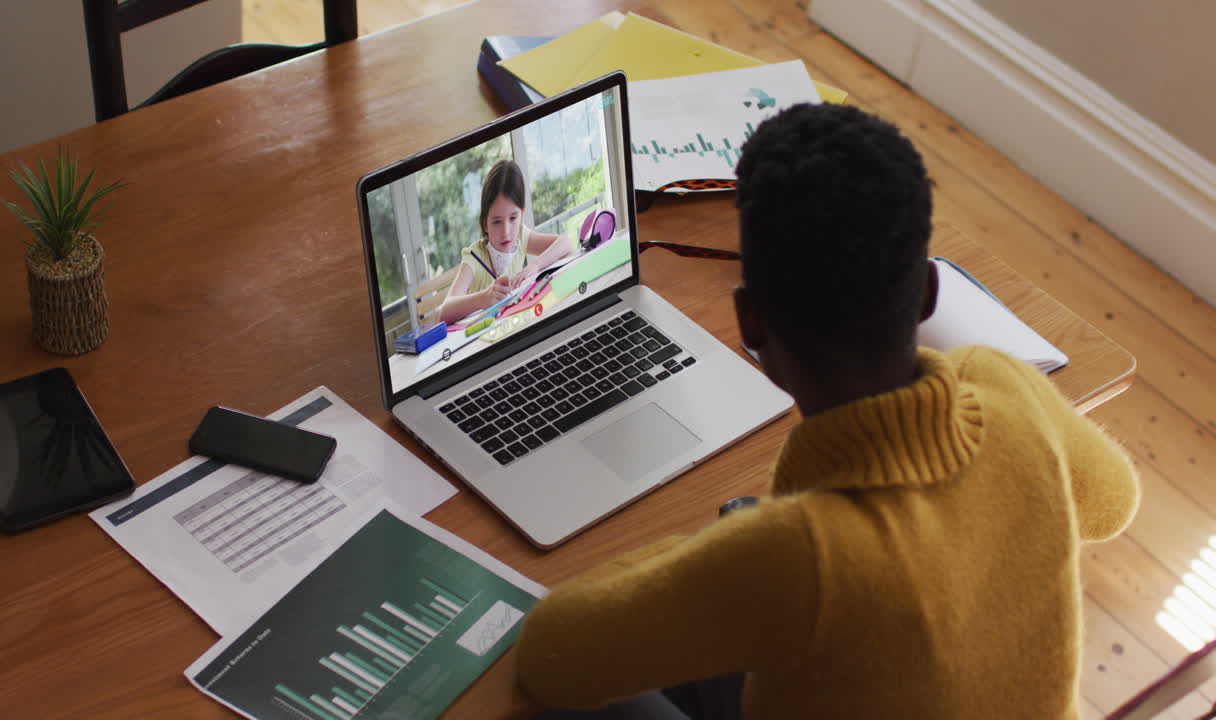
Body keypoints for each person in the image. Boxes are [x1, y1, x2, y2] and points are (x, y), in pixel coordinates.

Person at [513, 103, 1140, 719]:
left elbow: (550, 655)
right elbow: (1113, 503)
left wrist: (718, 551)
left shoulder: (792, 557)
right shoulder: (1005, 383)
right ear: (927, 292)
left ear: (750, 321)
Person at [439, 159, 573, 324]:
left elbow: (565, 243)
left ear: (522, 215)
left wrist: (536, 265)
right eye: (496, 221)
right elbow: (445, 312)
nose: (506, 232)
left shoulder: (521, 236)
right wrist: (484, 298)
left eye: (513, 218)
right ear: (484, 223)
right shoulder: (474, 257)